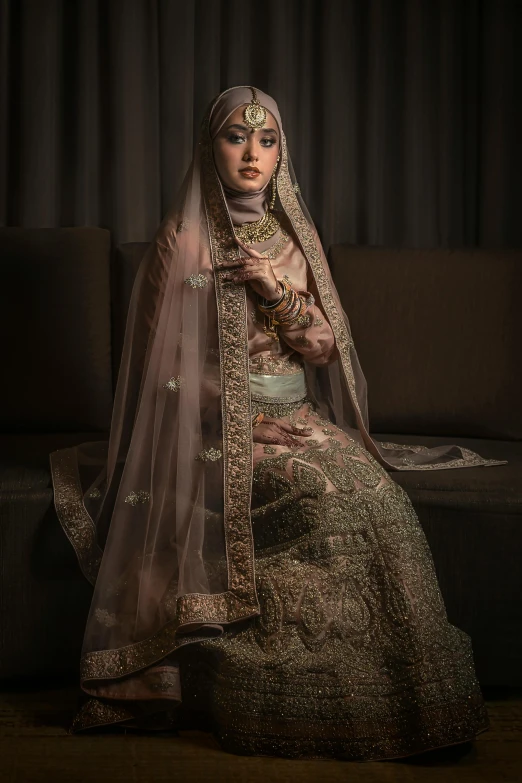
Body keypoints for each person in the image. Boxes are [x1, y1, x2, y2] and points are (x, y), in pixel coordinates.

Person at [50, 86, 506, 760]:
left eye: (267, 141)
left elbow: (323, 347)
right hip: (216, 437)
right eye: (238, 137)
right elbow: (159, 375)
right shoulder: (182, 240)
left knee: (380, 499)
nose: (253, 154)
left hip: (302, 419)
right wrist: (245, 422)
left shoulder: (296, 239)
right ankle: (277, 689)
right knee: (324, 498)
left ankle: (410, 697)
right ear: (211, 148)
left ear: (281, 153)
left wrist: (276, 290)